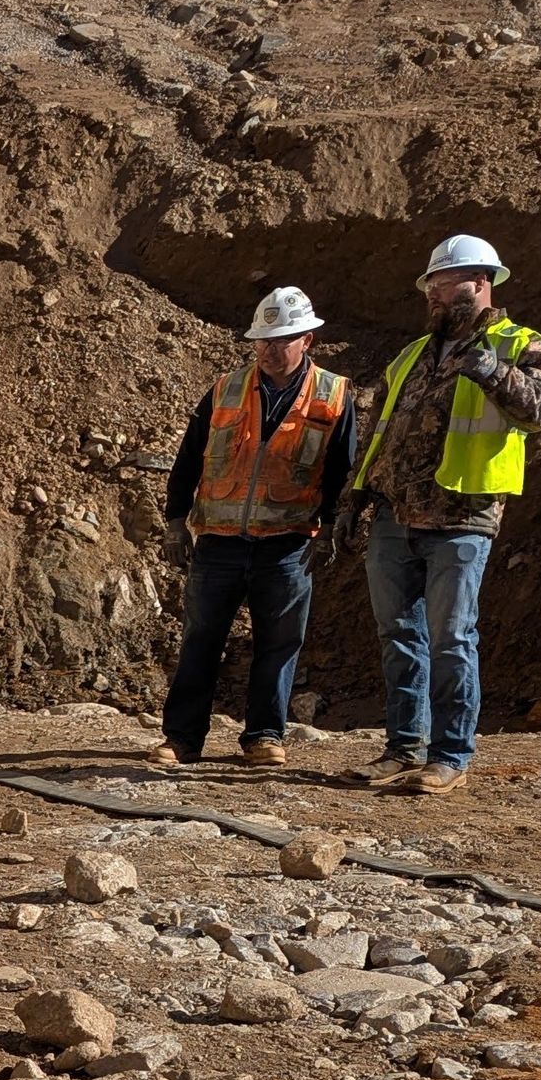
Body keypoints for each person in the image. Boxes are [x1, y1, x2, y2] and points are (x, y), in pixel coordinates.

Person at [333, 234, 541, 795]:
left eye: (443, 283)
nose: (433, 295)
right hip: (394, 513)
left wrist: (489, 370)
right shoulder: (412, 354)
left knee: (452, 637)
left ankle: (451, 754)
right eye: (430, 287)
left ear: (480, 282)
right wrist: (355, 497)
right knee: (398, 634)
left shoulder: (520, 345)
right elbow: (380, 433)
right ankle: (403, 747)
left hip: (463, 514)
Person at [153, 287, 358, 766]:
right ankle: (182, 739)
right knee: (200, 639)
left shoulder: (333, 396)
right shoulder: (226, 388)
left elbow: (342, 472)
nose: (268, 349)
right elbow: (189, 459)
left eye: (280, 339)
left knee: (279, 643)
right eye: (262, 340)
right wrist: (175, 521)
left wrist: (331, 526)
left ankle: (265, 736)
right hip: (220, 541)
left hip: (287, 543)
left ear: (307, 340)